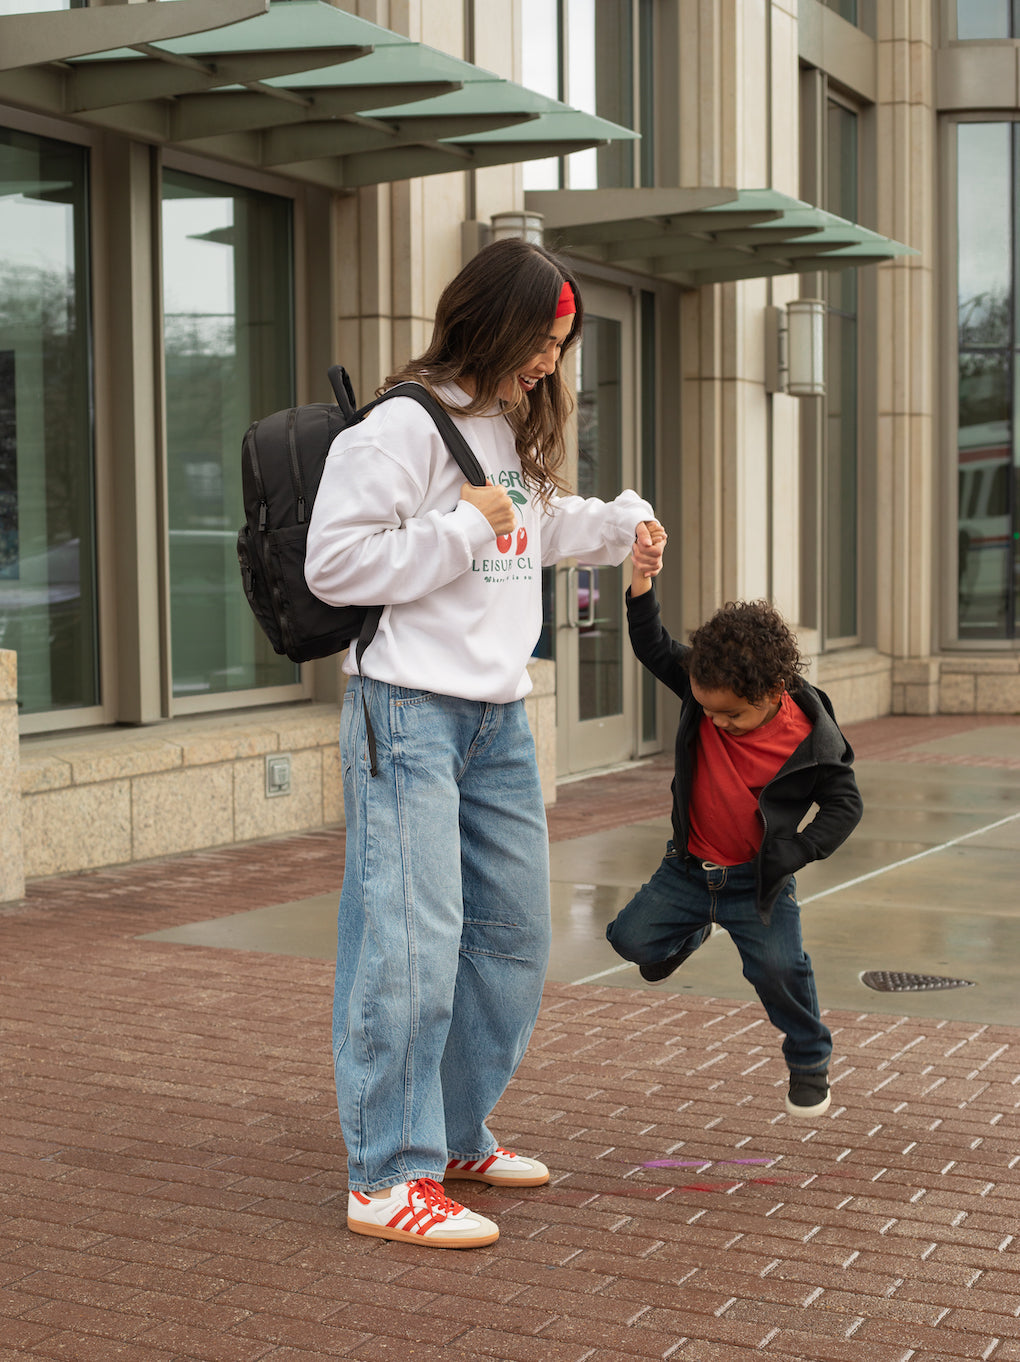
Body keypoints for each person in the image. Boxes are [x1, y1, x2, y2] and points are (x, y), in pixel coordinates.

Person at [304, 236, 661, 1249]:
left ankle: (455, 1134)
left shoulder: (500, 426)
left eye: (561, 345)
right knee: (410, 950)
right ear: (492, 321)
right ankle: (386, 1174)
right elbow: (336, 567)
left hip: (498, 721)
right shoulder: (397, 431)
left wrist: (622, 525)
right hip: (408, 713)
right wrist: (462, 528)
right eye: (543, 340)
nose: (550, 361)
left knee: (510, 943)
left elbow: (535, 526)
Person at [605, 540, 863, 1120]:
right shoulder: (709, 689)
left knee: (779, 970)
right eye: (708, 711)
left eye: (731, 717)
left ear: (771, 693)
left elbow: (845, 806)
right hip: (689, 868)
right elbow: (651, 645)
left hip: (757, 883)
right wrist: (641, 580)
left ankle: (809, 1057)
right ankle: (693, 930)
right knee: (631, 943)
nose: (716, 722)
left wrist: (800, 848)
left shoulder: (813, 739)